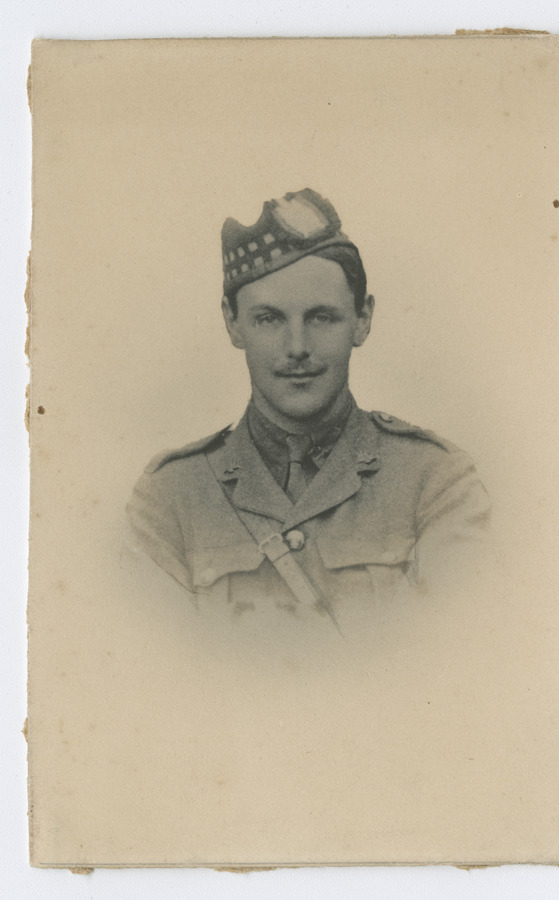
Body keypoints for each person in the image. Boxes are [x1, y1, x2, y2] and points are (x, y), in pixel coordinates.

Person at [126, 188, 490, 633]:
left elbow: (457, 653)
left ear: (362, 320)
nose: (297, 347)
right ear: (232, 322)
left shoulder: (434, 483)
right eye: (269, 319)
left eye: (321, 318)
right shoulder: (170, 498)